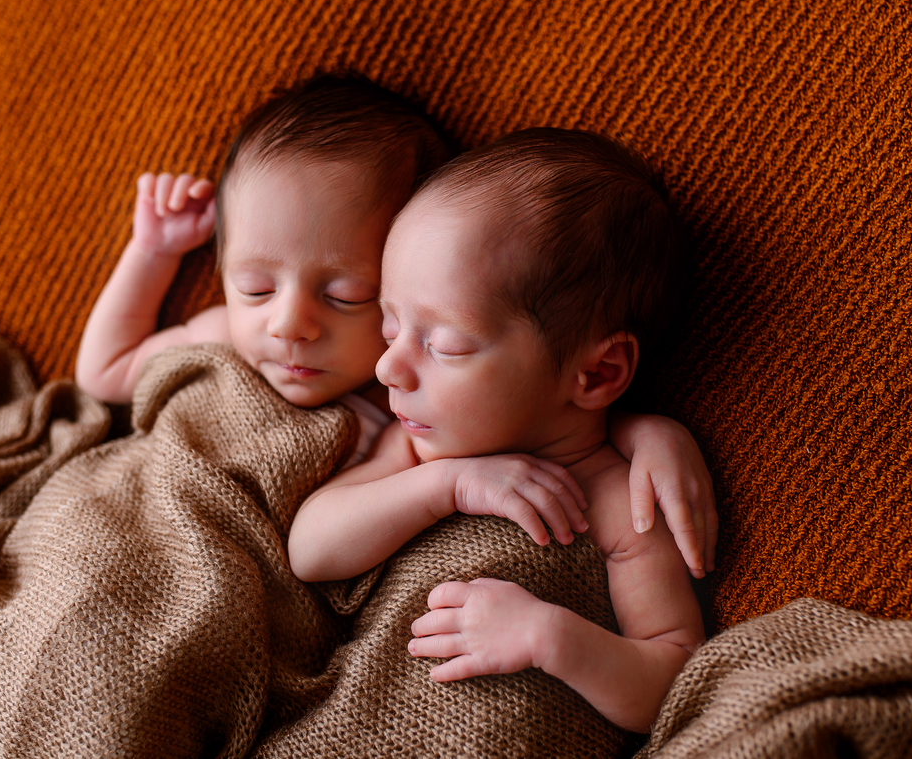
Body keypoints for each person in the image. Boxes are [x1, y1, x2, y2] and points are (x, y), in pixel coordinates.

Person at [75, 73, 716, 573]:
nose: (290, 323)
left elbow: (547, 403)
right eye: (256, 286)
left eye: (352, 297)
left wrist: (648, 432)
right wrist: (152, 254)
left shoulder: (410, 407)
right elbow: (105, 373)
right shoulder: (224, 340)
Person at [287, 128, 704, 733]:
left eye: (446, 346)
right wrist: (448, 487)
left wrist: (549, 637)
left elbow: (675, 679)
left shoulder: (622, 501)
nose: (386, 369)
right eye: (389, 327)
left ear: (598, 373)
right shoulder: (419, 448)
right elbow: (310, 551)